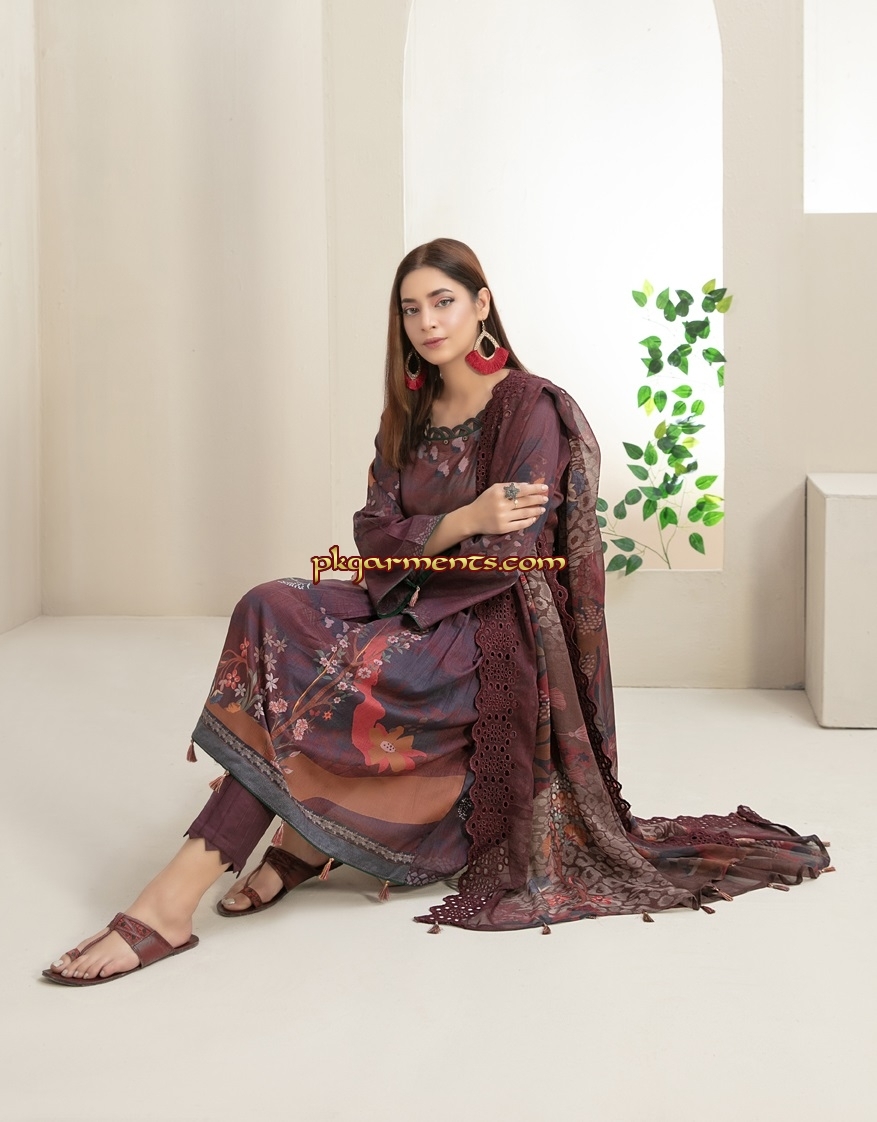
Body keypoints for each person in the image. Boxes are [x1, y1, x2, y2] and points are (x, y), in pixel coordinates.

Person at [43, 238, 831, 985]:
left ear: (481, 304)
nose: (426, 322)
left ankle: (178, 898)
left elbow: (511, 550)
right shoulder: (410, 414)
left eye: (443, 301)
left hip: (496, 623)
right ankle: (292, 845)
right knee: (268, 605)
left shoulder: (529, 406)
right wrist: (459, 520)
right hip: (412, 595)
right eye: (410, 309)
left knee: (339, 670)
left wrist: (429, 552)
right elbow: (371, 533)